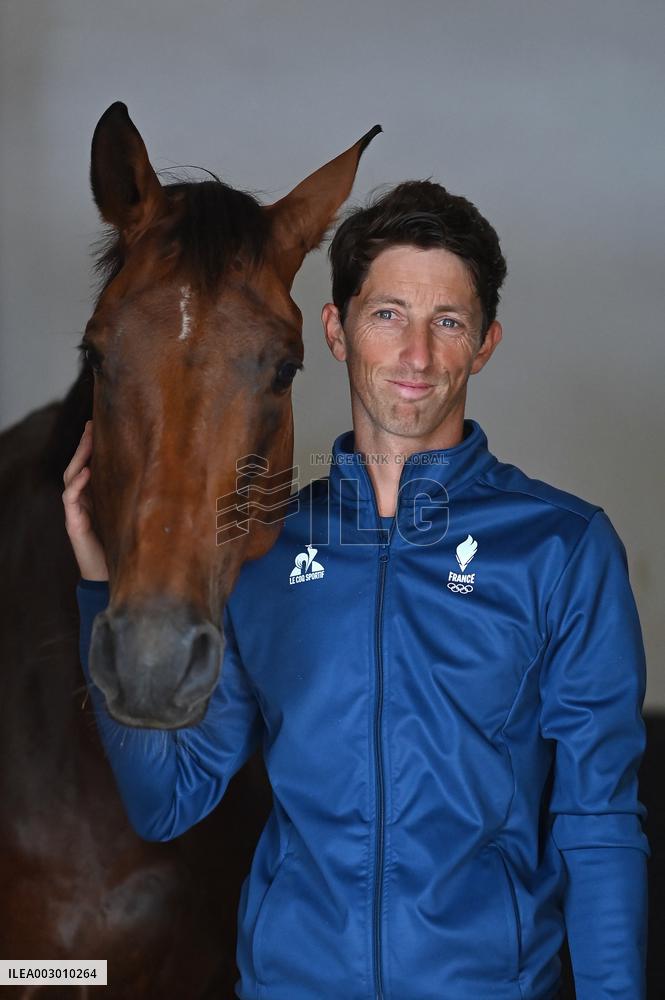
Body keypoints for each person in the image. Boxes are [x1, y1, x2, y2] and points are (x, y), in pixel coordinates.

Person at [64, 180, 650, 1000]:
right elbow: (167, 800)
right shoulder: (262, 546)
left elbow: (598, 823)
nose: (415, 356)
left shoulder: (560, 548)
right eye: (387, 316)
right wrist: (101, 582)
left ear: (482, 345)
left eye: (446, 322)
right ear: (335, 331)